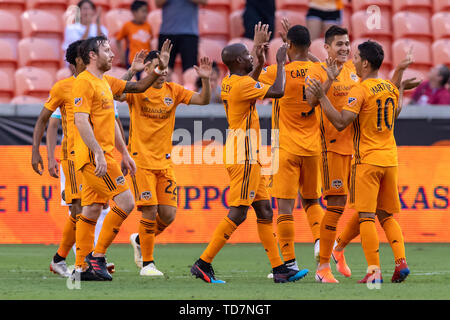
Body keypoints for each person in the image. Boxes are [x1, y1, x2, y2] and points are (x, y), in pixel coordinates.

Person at [190, 39, 306, 284]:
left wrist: (260, 59)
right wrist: (281, 62)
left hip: (243, 151)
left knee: (264, 210)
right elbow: (278, 91)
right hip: (244, 155)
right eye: (246, 54)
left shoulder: (230, 82)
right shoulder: (242, 84)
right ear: (238, 61)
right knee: (239, 212)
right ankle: (203, 263)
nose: (250, 56)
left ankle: (280, 269)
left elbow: (250, 80)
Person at [307, 40, 416, 283]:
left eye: (356, 57)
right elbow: (395, 113)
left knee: (366, 217)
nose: (353, 60)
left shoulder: (360, 89)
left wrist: (321, 97)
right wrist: (400, 80)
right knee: (386, 216)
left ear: (365, 63)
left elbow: (341, 122)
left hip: (367, 161)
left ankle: (373, 271)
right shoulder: (389, 87)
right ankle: (400, 262)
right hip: (390, 159)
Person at [71, 35, 172, 281]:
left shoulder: (105, 82)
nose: (112, 54)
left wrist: (124, 153)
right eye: (106, 50)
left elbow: (136, 88)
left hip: (104, 155)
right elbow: (80, 120)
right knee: (126, 202)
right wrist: (97, 152)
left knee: (93, 209)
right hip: (95, 157)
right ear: (92, 55)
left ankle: (80, 268)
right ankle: (97, 257)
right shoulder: (84, 82)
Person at [117, 52, 212, 277]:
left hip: (164, 163)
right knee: (149, 211)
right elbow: (115, 92)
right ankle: (148, 264)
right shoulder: (138, 90)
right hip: (141, 161)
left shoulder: (173, 91)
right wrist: (132, 71)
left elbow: (203, 100)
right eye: (159, 65)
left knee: (167, 215)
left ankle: (140, 240)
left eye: (166, 66)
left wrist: (206, 80)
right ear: (148, 68)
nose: (164, 70)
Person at [258, 24, 321, 279]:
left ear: (289, 45)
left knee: (285, 208)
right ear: (310, 45)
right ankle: (320, 242)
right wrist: (305, 53)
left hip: (285, 147)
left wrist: (276, 55)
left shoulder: (277, 72)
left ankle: (291, 264)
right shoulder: (319, 70)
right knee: (312, 201)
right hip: (313, 146)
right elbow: (323, 68)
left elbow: (251, 77)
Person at [155, 0, 207, 73]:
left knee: (190, 70)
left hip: (189, 34)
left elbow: (204, 1)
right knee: (163, 68)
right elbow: (158, 3)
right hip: (167, 32)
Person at [116, 0, 152, 80]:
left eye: (146, 12)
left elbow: (151, 43)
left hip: (146, 62)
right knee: (133, 82)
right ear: (134, 12)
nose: (145, 14)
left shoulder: (148, 26)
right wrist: (122, 57)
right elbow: (118, 40)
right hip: (132, 61)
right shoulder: (127, 26)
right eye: (143, 11)